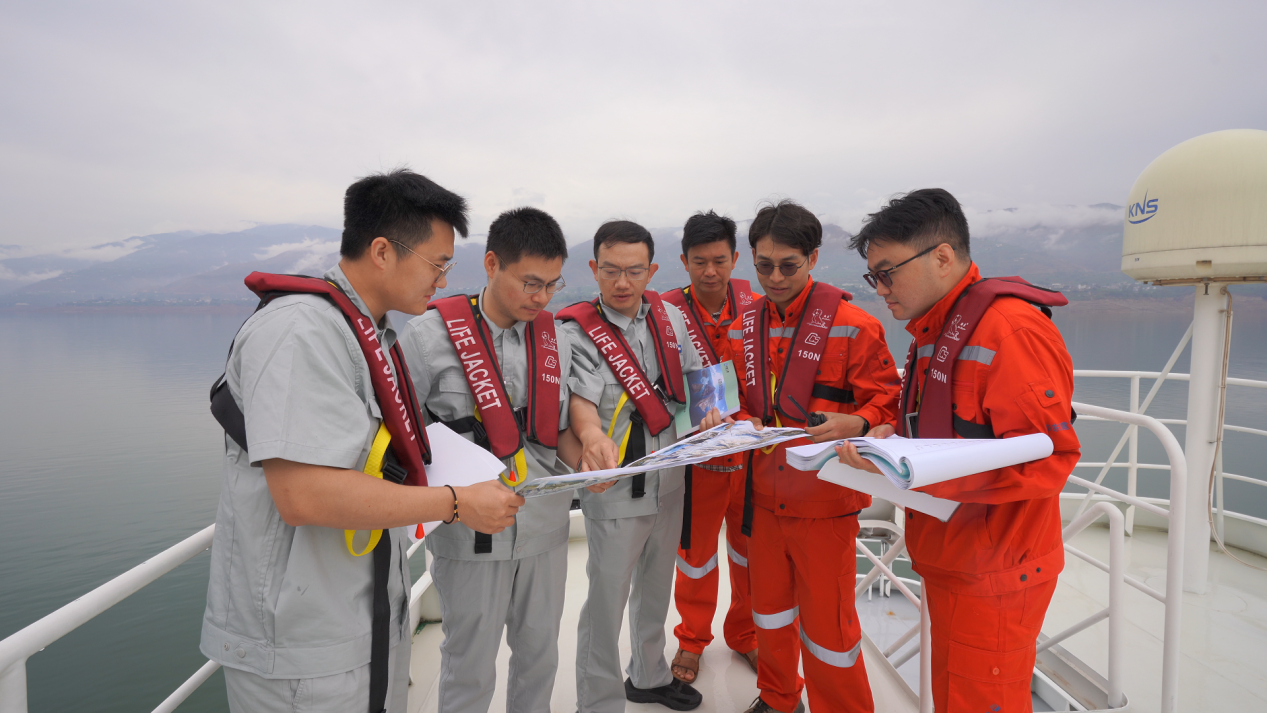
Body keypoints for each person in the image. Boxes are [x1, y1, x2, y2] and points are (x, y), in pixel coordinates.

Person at [201, 169, 524, 713]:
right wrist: (456, 503)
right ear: (382, 251)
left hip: (361, 626)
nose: (443, 281)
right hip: (302, 650)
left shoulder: (368, 333)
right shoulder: (300, 331)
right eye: (438, 263)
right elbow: (304, 495)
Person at [837, 188, 1080, 712]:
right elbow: (940, 427)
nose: (880, 289)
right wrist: (886, 440)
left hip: (994, 568)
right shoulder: (935, 330)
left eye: (887, 273)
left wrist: (919, 471)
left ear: (942, 257)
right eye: (873, 277)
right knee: (951, 695)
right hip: (952, 557)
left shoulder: (1009, 332)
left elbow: (1050, 459)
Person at [399, 207, 577, 713]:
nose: (541, 297)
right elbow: (400, 440)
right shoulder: (426, 338)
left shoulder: (556, 338)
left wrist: (588, 459)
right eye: (530, 283)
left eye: (552, 285)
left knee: (540, 656)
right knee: (469, 666)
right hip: (469, 536)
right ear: (493, 263)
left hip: (544, 527)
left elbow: (559, 429)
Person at [739, 200, 901, 713]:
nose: (775, 278)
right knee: (769, 615)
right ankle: (778, 698)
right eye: (764, 266)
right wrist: (733, 421)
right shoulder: (743, 329)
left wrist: (859, 422)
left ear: (812, 258)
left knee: (830, 629)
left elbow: (889, 404)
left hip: (826, 507)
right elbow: (732, 401)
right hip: (762, 501)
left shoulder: (855, 326)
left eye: (788, 265)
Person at [559, 220, 722, 713]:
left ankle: (649, 677)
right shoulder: (577, 332)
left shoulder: (670, 319)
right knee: (606, 601)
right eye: (611, 270)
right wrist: (591, 436)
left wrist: (714, 414)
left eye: (634, 271)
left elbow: (697, 380)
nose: (622, 283)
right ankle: (599, 701)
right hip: (615, 487)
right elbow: (580, 404)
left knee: (655, 587)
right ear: (594, 268)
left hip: (670, 479)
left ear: (652, 270)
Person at [660, 211, 761, 685]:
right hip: (696, 456)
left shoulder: (756, 305)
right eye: (699, 261)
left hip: (750, 454)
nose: (710, 271)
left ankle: (746, 634)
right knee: (695, 556)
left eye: (719, 260)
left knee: (749, 553)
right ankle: (692, 639)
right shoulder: (664, 313)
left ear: (735, 259)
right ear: (684, 261)